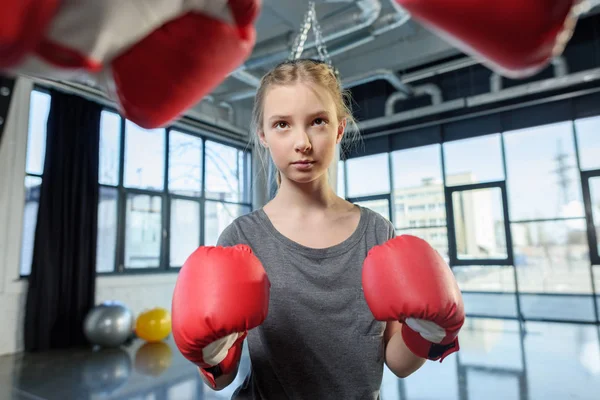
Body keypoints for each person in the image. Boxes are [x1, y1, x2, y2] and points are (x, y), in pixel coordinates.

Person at [171, 58, 465, 400]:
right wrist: (212, 352)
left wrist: (425, 329)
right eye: (282, 124)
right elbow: (221, 380)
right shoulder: (242, 239)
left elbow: (397, 363)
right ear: (263, 135)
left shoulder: (376, 231)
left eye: (318, 121)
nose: (303, 143)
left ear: (339, 128)